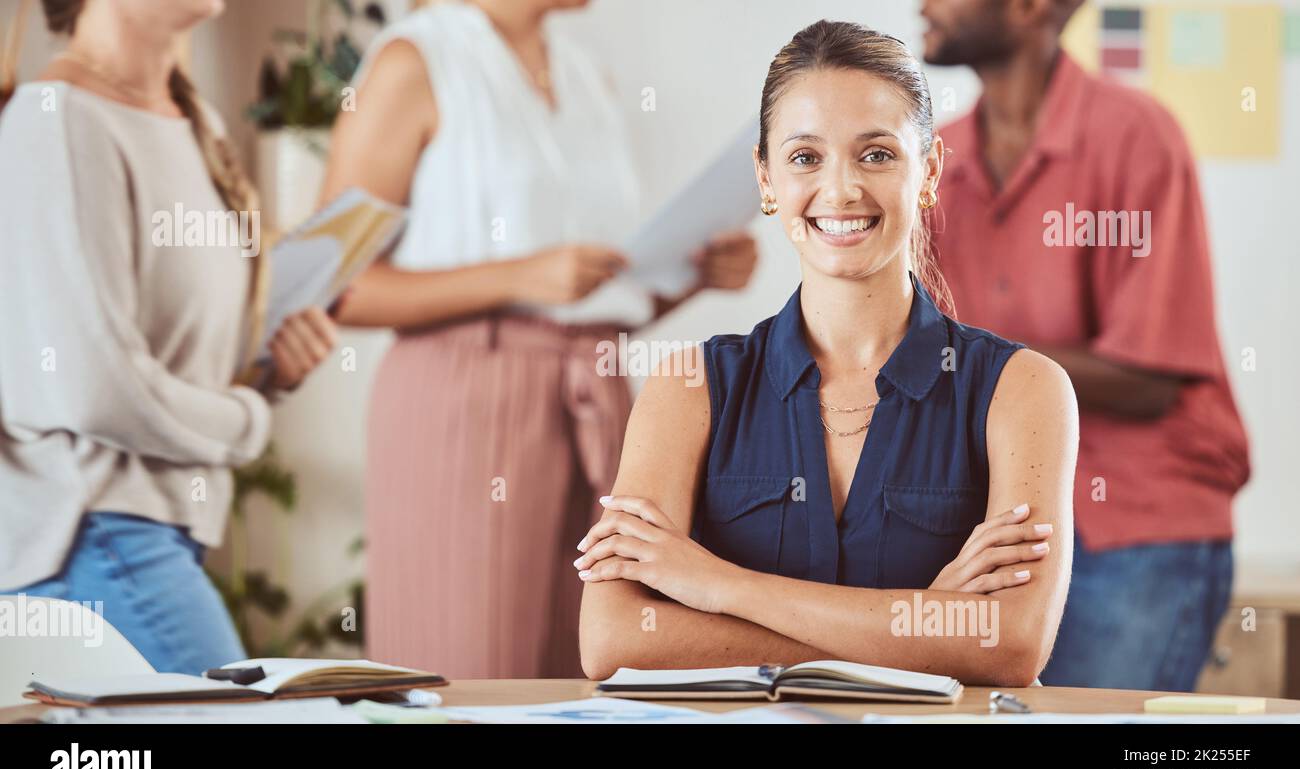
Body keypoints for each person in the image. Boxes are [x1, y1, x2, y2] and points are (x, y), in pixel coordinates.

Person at [575, 20, 1078, 687]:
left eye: (876, 154)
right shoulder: (690, 385)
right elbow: (611, 639)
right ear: (766, 178)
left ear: (928, 172)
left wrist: (714, 584)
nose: (840, 190)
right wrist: (923, 621)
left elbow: (1009, 642)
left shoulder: (1023, 389)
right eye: (806, 158)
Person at [320, 0, 757, 678]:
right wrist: (516, 275)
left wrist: (692, 278)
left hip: (597, 384)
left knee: (594, 666)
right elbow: (336, 286)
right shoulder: (416, 60)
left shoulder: (587, 76)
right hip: (464, 397)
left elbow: (589, 293)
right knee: (471, 667)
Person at [921, 0, 1249, 691]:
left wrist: (968, 358)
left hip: (1135, 526)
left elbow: (1149, 375)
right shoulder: (933, 164)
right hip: (997, 529)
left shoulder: (1137, 137)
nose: (923, 3)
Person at [0, 0, 336, 675]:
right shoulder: (58, 122)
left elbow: (167, 357)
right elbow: (96, 390)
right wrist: (250, 419)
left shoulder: (196, 122)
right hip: (92, 530)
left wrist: (271, 372)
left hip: (156, 530)